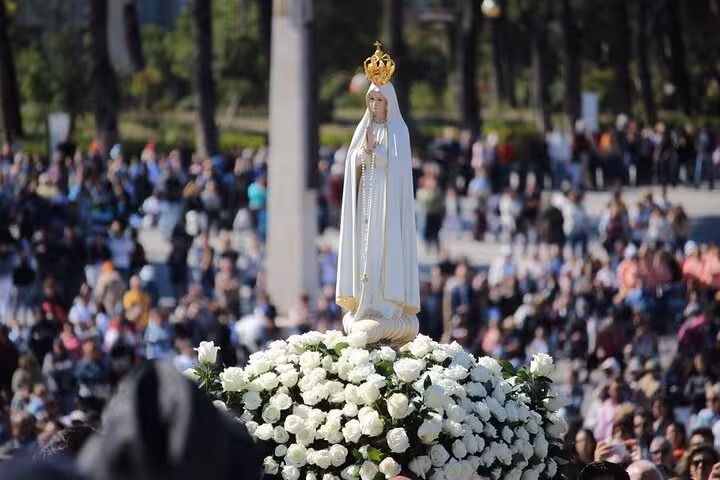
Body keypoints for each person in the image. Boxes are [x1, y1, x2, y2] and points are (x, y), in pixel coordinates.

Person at [336, 43, 420, 344]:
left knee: (385, 251)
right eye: (370, 99)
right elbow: (351, 165)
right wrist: (362, 154)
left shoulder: (399, 131)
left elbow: (399, 170)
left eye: (379, 100)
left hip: (388, 203)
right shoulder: (364, 129)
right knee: (364, 250)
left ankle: (387, 303)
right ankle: (364, 301)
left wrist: (376, 153)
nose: (374, 105)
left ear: (389, 103)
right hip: (367, 204)